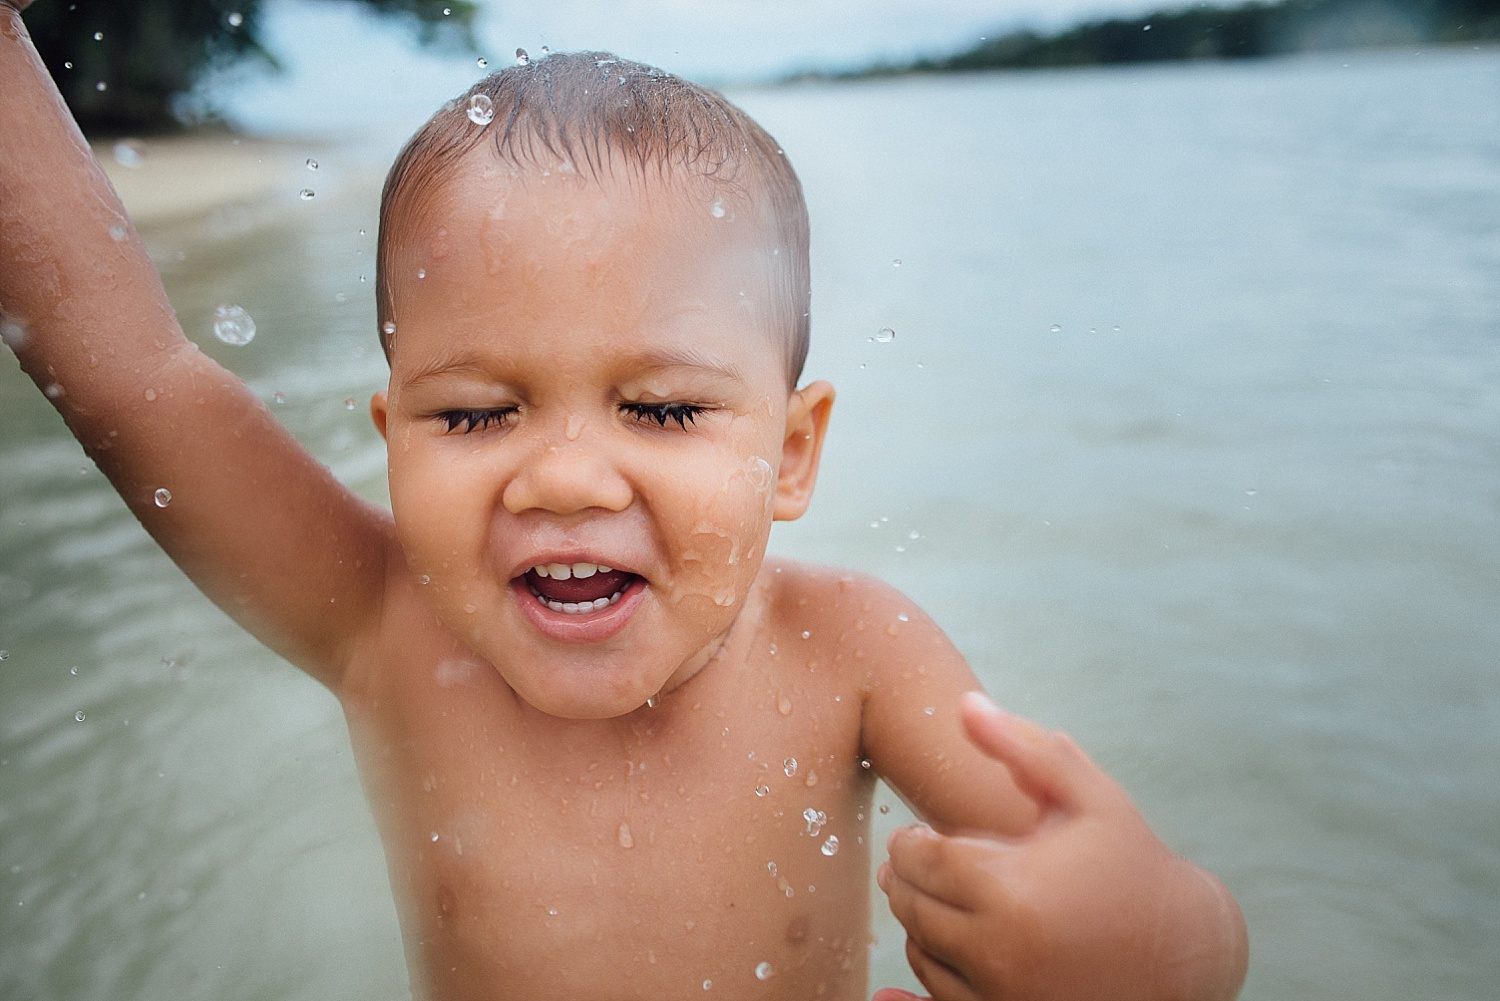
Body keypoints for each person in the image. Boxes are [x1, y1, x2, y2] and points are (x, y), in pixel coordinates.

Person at [0, 4, 1248, 999]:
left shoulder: (853, 652)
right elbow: (131, 370)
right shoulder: (382, 622)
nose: (564, 478)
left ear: (794, 450)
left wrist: (1163, 954)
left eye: (660, 409)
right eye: (475, 413)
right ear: (390, 440)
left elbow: (1115, 888)